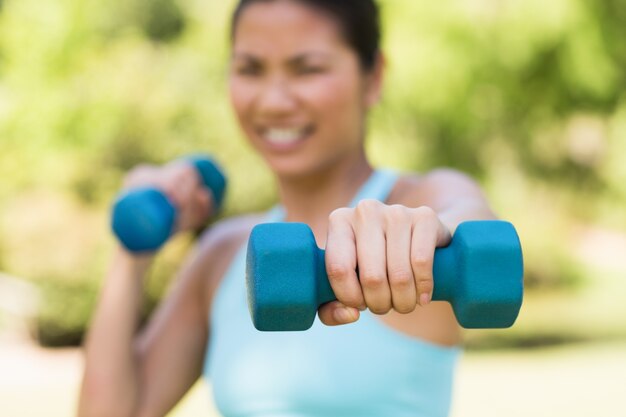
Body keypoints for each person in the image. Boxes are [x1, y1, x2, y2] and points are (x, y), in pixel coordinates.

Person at [78, 0, 496, 416]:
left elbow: (470, 223)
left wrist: (419, 234)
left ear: (374, 78)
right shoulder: (224, 254)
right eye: (250, 69)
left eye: (308, 69)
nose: (274, 101)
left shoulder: (421, 201)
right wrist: (131, 253)